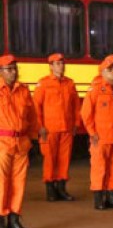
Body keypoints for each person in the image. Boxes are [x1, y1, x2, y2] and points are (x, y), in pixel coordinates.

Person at [81, 55, 113, 210]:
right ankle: (99, 198)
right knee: (99, 167)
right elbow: (86, 113)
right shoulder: (96, 88)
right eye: (111, 68)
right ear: (103, 70)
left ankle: (111, 196)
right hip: (100, 137)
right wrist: (92, 132)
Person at [0, 54, 39, 228]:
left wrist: (32, 137)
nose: (13, 72)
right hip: (2, 143)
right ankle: (1, 221)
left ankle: (14, 220)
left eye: (15, 68)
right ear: (1, 72)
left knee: (18, 184)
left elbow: (31, 117)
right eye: (9, 69)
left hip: (21, 143)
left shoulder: (23, 91)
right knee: (1, 184)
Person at [33, 53, 79, 202]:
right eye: (57, 63)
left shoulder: (70, 83)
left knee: (64, 160)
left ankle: (61, 188)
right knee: (50, 160)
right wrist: (40, 126)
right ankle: (50, 189)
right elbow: (36, 108)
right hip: (49, 129)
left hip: (66, 128)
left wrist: (75, 124)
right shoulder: (43, 84)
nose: (61, 66)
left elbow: (76, 106)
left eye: (62, 63)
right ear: (51, 66)